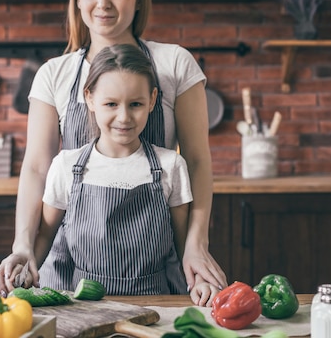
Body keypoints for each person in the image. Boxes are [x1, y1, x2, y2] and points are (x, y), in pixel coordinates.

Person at [0, 0, 227, 306]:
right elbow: (38, 166)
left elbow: (196, 161)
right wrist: (24, 244)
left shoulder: (175, 64)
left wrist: (196, 244)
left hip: (153, 269)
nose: (103, 3)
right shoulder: (55, 73)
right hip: (69, 272)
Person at [20, 44, 217, 303]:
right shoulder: (66, 167)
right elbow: (43, 237)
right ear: (90, 98)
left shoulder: (171, 166)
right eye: (111, 103)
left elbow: (184, 249)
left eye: (135, 104)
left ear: (153, 100)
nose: (124, 117)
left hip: (156, 302)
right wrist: (23, 265)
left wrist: (199, 281)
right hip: (82, 306)